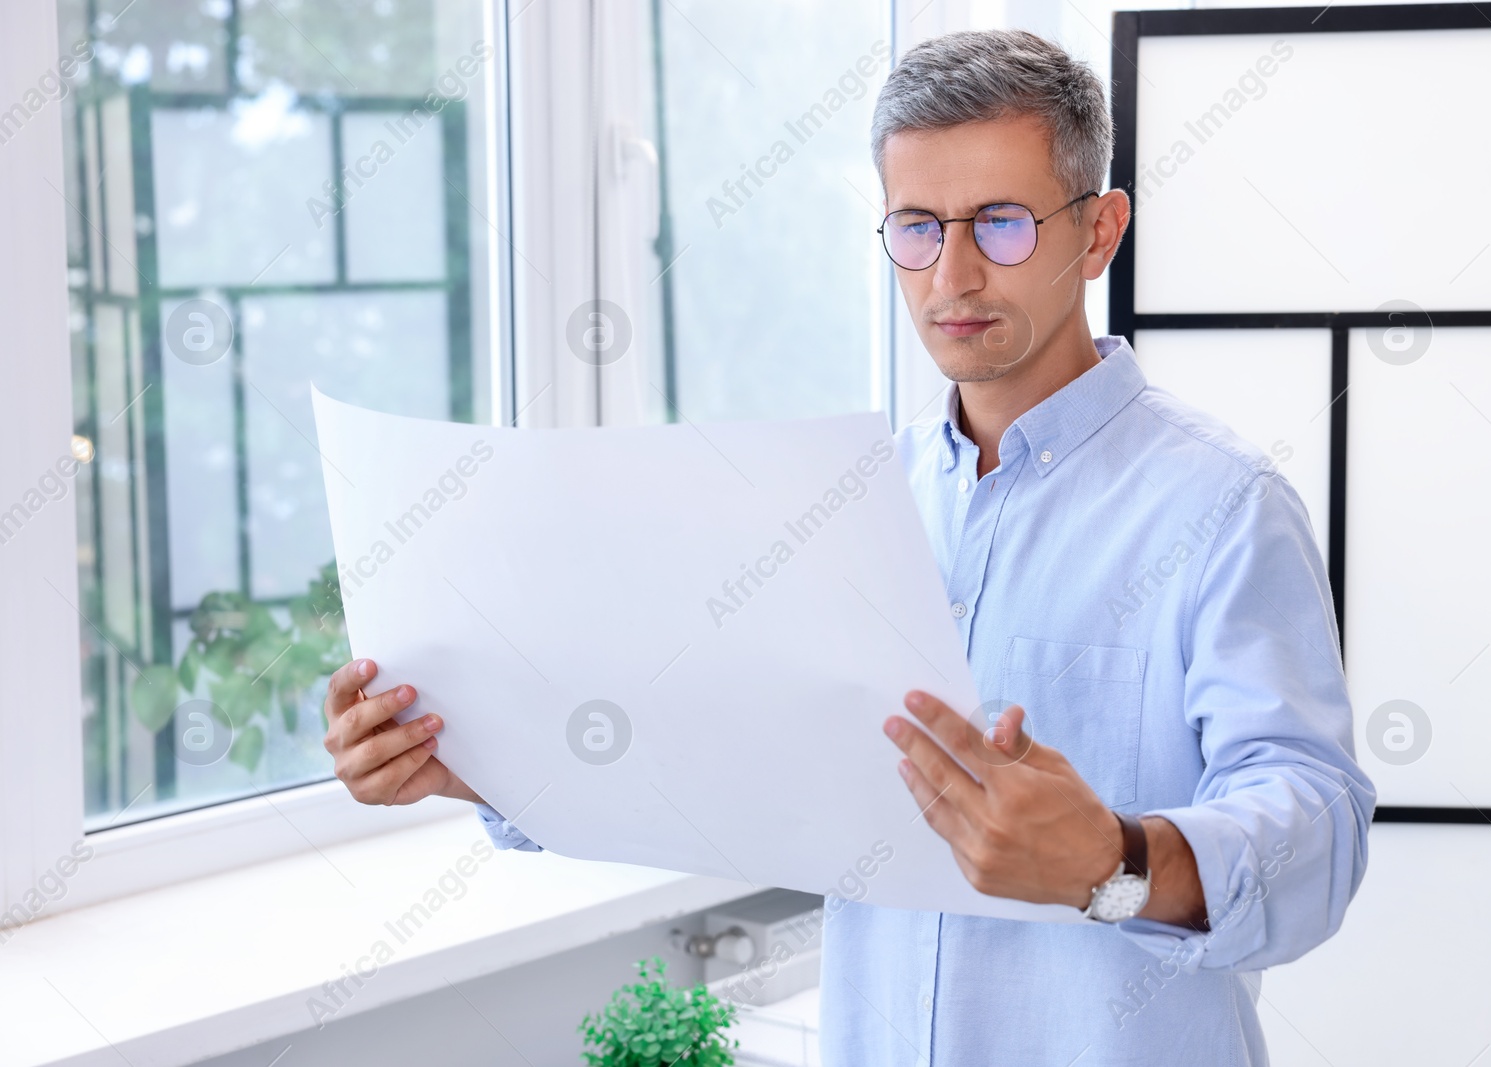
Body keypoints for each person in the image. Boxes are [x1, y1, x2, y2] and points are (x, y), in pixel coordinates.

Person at [324, 27, 1375, 1065]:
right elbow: (720, 772)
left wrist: (1113, 858)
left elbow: (1315, 833)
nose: (951, 274)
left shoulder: (1223, 503)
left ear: (1098, 232)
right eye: (916, 226)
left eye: (1000, 222)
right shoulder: (855, 503)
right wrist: (478, 762)